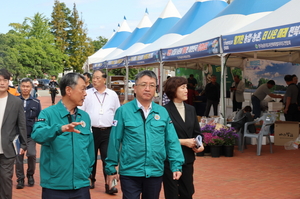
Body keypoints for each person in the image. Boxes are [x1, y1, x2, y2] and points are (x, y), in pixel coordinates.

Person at [105, 70, 184, 199]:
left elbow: (171, 140)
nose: (148, 89)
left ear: (156, 89)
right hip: (130, 172)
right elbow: (115, 140)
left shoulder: (162, 112)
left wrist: (176, 165)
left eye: (152, 85)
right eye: (143, 85)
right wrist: (111, 167)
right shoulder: (123, 111)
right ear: (135, 88)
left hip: (155, 171)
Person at [31, 73, 94, 199]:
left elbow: (90, 148)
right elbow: (37, 135)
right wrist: (59, 129)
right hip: (55, 186)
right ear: (69, 90)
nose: (85, 93)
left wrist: (86, 171)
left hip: (81, 185)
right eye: (82, 89)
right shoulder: (48, 113)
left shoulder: (84, 117)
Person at [79, 69, 120, 192]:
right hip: (91, 131)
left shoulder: (112, 94)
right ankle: (90, 179)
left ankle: (111, 185)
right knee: (90, 157)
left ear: (104, 79)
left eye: (98, 78)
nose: (95, 80)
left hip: (108, 132)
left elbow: (117, 112)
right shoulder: (87, 93)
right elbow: (81, 111)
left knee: (109, 159)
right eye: (93, 78)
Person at [163, 77, 204, 199]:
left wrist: (200, 144)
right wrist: (183, 142)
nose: (186, 90)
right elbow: (160, 137)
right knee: (172, 194)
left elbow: (197, 133)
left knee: (187, 192)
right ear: (173, 90)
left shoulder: (191, 109)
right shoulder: (164, 111)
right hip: (170, 160)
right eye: (183, 87)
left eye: (186, 87)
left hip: (187, 158)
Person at [0, 68, 27, 199]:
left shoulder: (16, 102)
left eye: (5, 80)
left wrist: (23, 144)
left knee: (6, 180)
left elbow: (21, 124)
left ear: (8, 82)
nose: (2, 83)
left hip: (7, 149)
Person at [15, 78, 41, 189]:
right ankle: (20, 178)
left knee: (31, 154)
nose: (25, 88)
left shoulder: (36, 102)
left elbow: (40, 119)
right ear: (20, 87)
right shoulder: (14, 101)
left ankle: (30, 175)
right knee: (18, 157)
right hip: (17, 135)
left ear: (31, 88)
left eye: (27, 86)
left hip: (30, 134)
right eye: (23, 86)